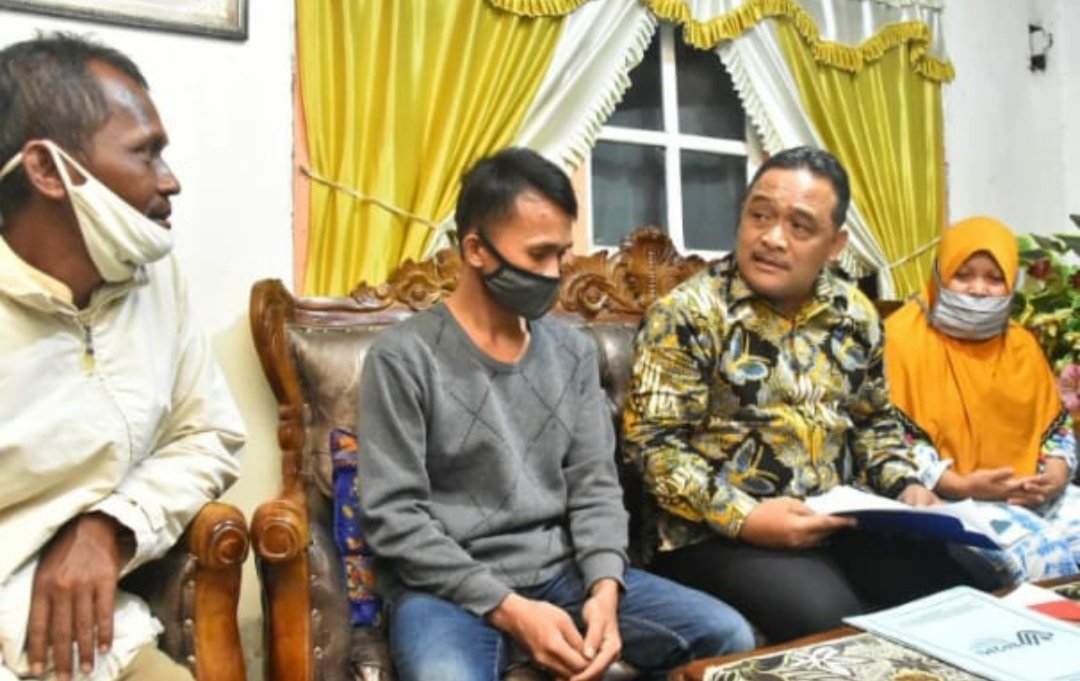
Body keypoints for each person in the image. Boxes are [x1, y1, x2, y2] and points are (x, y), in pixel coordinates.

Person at [355, 147, 754, 681]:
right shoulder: (403, 357)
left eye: (562, 254)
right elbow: (394, 519)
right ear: (476, 249)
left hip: (563, 575)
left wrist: (605, 588)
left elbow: (595, 487)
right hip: (444, 591)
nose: (555, 274)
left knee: (728, 636)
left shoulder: (572, 352)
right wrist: (511, 610)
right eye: (539, 254)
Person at [623, 146, 986, 644]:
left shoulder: (854, 313)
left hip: (834, 519)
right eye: (760, 216)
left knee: (964, 586)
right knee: (834, 627)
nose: (772, 238)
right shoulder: (687, 314)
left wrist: (905, 485)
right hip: (711, 533)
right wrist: (747, 517)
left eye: (799, 226)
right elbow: (652, 448)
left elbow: (874, 421)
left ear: (835, 245)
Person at [0, 34, 244, 681]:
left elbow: (209, 434)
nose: (170, 180)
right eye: (145, 152)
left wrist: (111, 525)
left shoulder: (155, 278)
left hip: (99, 641)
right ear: (47, 170)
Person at [885, 215, 1080, 583]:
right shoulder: (901, 340)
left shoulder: (1020, 343)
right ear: (940, 274)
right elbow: (891, 440)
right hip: (949, 498)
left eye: (994, 278)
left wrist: (1055, 474)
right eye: (963, 275)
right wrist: (960, 485)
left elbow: (1055, 430)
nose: (978, 290)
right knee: (1044, 554)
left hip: (1036, 494)